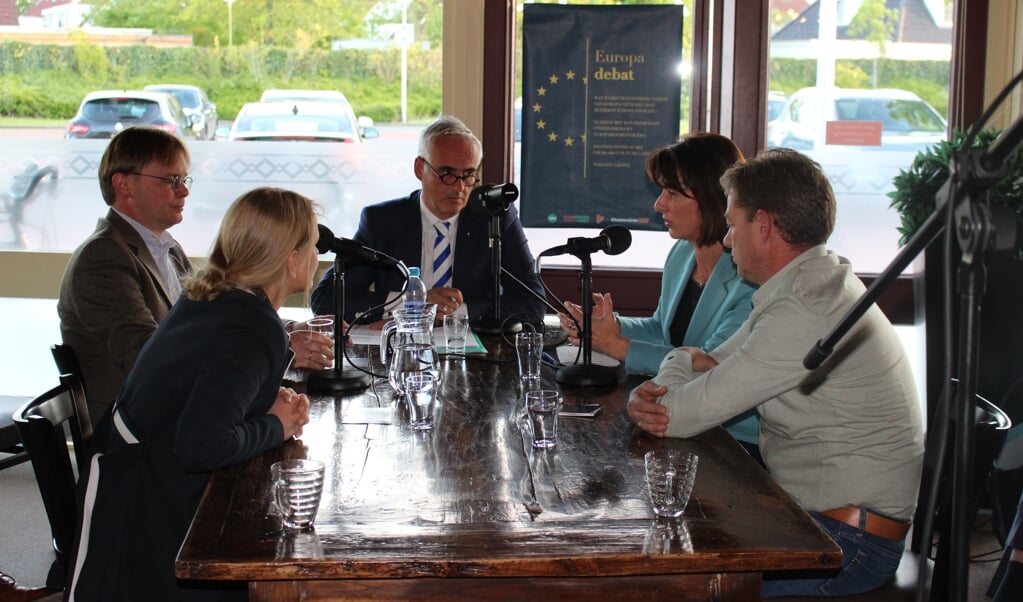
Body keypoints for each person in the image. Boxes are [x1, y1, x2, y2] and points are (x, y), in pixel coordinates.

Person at [627, 148, 924, 597]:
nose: (727, 240)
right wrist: (682, 366)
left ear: (762, 225)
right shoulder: (807, 283)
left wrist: (664, 385)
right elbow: (705, 358)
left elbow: (677, 414)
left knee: (674, 584)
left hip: (846, 544)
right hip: (815, 519)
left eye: (731, 224)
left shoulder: (805, 307)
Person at [67, 187, 316, 601]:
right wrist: (276, 424)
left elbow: (208, 390)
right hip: (152, 516)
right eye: (312, 247)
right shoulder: (252, 327)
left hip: (138, 471)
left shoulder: (213, 294)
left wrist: (262, 404)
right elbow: (200, 446)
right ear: (291, 259)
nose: (316, 258)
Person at [58, 127, 332, 427]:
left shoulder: (166, 248)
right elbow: (148, 359)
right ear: (124, 184)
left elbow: (216, 320)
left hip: (179, 411)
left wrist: (289, 329)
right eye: (171, 180)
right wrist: (284, 350)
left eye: (184, 180)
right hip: (139, 432)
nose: (184, 190)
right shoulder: (103, 258)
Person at [558, 134, 759, 458]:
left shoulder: (750, 274)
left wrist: (617, 346)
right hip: (677, 421)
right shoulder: (681, 253)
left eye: (672, 193)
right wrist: (611, 328)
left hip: (733, 440)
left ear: (714, 199)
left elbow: (706, 364)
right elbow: (662, 330)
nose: (658, 205)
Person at [311, 114, 546, 326]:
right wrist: (411, 303)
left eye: (468, 174)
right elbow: (325, 300)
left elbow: (533, 303)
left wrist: (458, 312)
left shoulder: (495, 218)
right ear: (419, 168)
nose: (459, 186)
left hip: (470, 353)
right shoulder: (382, 222)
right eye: (447, 174)